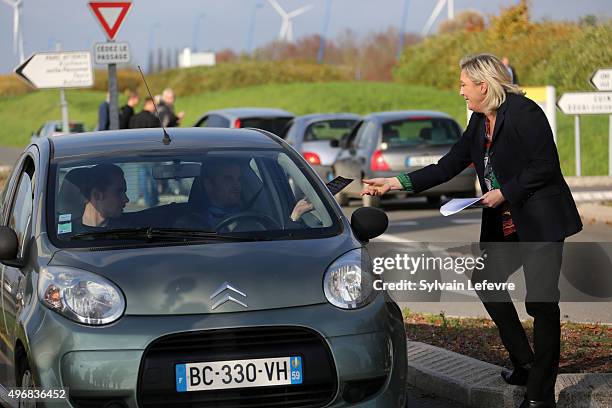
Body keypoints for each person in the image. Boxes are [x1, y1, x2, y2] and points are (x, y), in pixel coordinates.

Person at [361, 53, 582, 408]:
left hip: (540, 219)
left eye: (464, 85)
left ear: (483, 84)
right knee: (485, 279)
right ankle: (525, 363)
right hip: (503, 223)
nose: (461, 92)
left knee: (541, 302)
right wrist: (393, 182)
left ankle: (541, 395)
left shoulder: (525, 113)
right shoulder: (479, 122)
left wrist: (505, 192)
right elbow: (446, 166)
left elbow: (545, 166)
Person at [176, 159, 313, 230]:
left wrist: (295, 216)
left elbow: (284, 245)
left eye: (239, 179)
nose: (237, 185)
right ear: (209, 185)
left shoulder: (256, 220)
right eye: (228, 179)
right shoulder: (188, 225)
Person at [73, 164, 129, 233]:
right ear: (97, 195)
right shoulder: (64, 237)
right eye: (119, 192)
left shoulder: (128, 230)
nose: (126, 199)